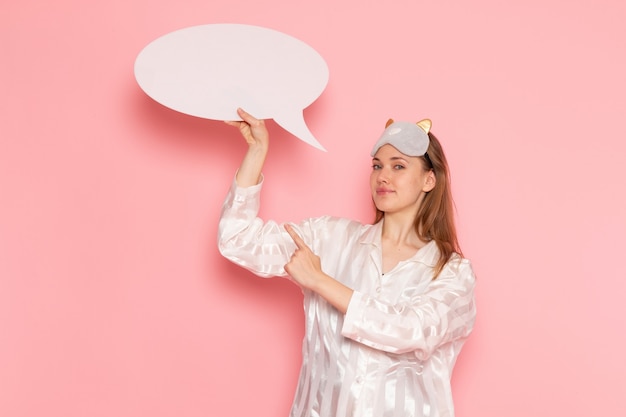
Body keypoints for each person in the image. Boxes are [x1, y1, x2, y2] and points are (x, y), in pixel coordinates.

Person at [218, 108, 476, 417]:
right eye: (377, 165)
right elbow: (238, 239)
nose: (383, 176)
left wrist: (320, 281)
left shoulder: (453, 273)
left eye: (399, 166)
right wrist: (257, 150)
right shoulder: (330, 238)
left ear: (429, 180)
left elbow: (410, 330)